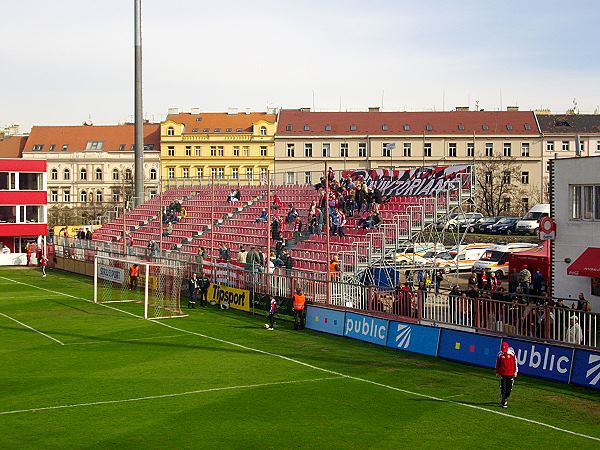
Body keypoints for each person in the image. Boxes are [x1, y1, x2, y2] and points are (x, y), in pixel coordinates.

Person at [495, 342, 518, 408]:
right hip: (503, 374)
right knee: (503, 388)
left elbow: (515, 362)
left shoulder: (512, 354)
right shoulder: (499, 354)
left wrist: (515, 372)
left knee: (509, 389)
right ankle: (503, 401)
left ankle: (505, 397)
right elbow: (497, 364)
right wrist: (497, 372)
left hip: (510, 374)